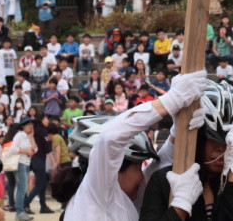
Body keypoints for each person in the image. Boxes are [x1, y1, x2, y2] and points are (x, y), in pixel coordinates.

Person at [53, 70, 205, 221]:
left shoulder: (123, 199)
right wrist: (171, 100)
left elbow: (158, 166)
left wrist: (178, 130)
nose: (142, 175)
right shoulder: (96, 193)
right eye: (139, 167)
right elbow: (110, 138)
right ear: (114, 167)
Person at [140, 79, 233, 221]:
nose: (222, 148)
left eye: (230, 140)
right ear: (199, 137)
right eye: (214, 138)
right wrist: (180, 206)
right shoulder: (166, 180)